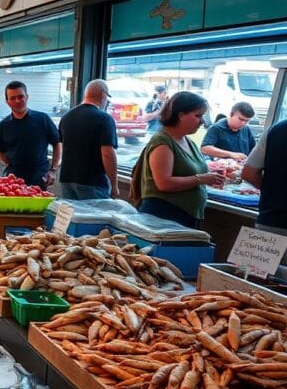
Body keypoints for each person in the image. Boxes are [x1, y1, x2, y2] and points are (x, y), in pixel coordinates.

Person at [135, 91, 224, 228]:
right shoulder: (163, 141)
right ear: (180, 114)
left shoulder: (189, 142)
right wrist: (201, 178)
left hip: (184, 217)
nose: (202, 121)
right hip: (163, 217)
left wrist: (210, 177)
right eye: (198, 116)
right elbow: (164, 183)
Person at [58, 80, 119, 199]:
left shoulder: (66, 117)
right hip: (92, 182)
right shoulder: (104, 119)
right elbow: (108, 154)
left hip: (66, 179)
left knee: (73, 217)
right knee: (94, 217)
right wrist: (114, 185)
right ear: (103, 95)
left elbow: (61, 147)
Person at [0, 81, 62, 189]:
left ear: (27, 97)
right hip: (13, 177)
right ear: (7, 102)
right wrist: (11, 165)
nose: (17, 101)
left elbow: (57, 144)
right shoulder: (3, 125)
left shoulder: (43, 119)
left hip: (39, 175)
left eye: (21, 96)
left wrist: (53, 170)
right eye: (12, 98)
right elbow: (0, 153)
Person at [242, 118, 287, 262]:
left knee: (254, 279)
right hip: (272, 223)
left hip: (270, 224)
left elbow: (248, 172)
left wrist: (274, 191)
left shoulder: (278, 129)